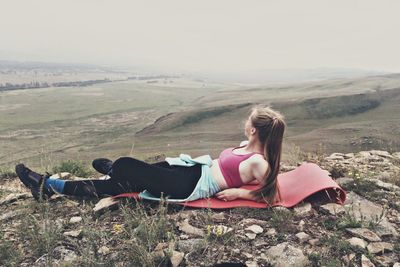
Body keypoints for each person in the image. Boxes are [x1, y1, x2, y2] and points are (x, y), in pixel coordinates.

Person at [15, 105, 285, 205]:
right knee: (119, 184)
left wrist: (239, 194)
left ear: (252, 129)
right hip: (191, 169)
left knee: (123, 166)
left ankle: (108, 169)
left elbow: (274, 194)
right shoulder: (245, 146)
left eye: (246, 122)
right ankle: (47, 186)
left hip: (189, 185)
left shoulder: (258, 162)